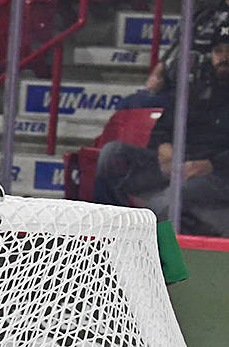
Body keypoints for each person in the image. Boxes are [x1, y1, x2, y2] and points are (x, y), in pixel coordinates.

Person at [95, 25, 229, 238]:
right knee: (112, 153)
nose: (224, 57)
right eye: (219, 51)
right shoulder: (196, 87)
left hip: (219, 175)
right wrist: (165, 148)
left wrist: (210, 165)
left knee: (167, 200)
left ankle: (137, 248)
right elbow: (165, 126)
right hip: (179, 164)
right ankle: (105, 231)